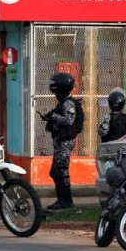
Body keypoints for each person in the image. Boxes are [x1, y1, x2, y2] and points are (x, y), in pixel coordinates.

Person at [37, 72, 78, 210]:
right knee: (55, 172)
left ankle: (66, 201)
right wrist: (49, 117)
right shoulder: (63, 102)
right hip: (60, 141)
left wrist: (53, 116)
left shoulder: (68, 103)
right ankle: (61, 200)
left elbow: (68, 120)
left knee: (61, 170)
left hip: (65, 142)